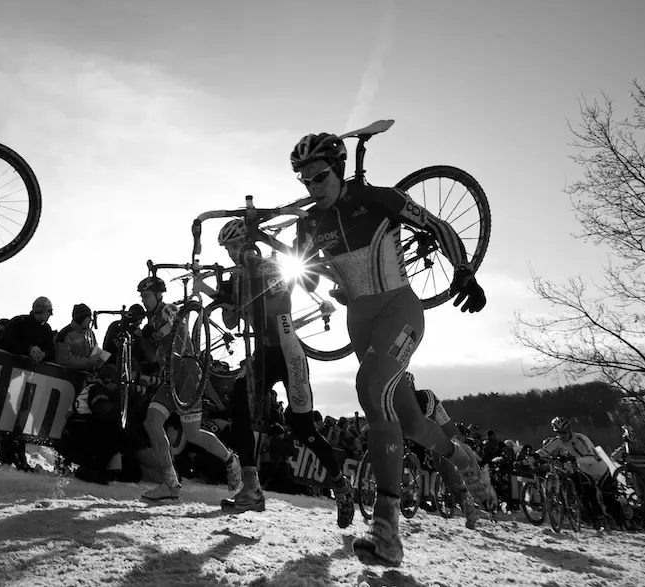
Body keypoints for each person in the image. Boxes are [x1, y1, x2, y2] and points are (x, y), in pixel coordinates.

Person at [289, 132, 491, 567]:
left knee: (370, 385)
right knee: (413, 423)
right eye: (305, 181)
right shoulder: (308, 223)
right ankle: (464, 457)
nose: (314, 187)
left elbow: (439, 226)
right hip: (360, 324)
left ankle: (386, 531)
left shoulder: (378, 198)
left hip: (400, 311)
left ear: (339, 169)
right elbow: (302, 275)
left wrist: (464, 271)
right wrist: (309, 272)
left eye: (320, 176)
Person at [214, 218, 356, 526]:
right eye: (227, 249)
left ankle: (341, 486)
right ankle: (251, 489)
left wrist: (252, 282)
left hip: (289, 350)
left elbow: (280, 303)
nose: (231, 254)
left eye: (235, 246)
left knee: (302, 427)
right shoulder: (237, 276)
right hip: (263, 351)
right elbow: (230, 321)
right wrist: (224, 297)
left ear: (249, 244)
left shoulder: (269, 267)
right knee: (238, 404)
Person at [136, 275, 243, 501]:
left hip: (186, 372)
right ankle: (170, 483)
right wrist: (144, 339)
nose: (144, 301)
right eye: (142, 297)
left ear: (158, 295)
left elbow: (181, 333)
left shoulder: (168, 310)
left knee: (193, 434)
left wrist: (157, 334)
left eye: (147, 296)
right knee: (152, 421)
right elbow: (156, 355)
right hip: (171, 376)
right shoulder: (153, 318)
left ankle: (231, 460)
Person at [403, 372, 481, 528]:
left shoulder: (425, 395)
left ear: (411, 386)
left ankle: (467, 500)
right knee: (441, 467)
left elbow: (429, 419)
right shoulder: (400, 403)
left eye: (405, 389)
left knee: (444, 464)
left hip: (445, 430)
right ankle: (464, 500)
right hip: (424, 432)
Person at [536, 416, 621, 528]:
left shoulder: (581, 439)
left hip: (600, 470)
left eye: (564, 432)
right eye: (559, 433)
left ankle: (621, 523)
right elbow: (544, 451)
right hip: (584, 472)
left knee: (608, 499)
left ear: (570, 430)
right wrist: (533, 455)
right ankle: (595, 521)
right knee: (586, 496)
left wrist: (574, 460)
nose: (562, 435)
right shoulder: (557, 441)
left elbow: (593, 459)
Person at [0, 296, 55, 362]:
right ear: (41, 310)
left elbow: (51, 351)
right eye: (49, 311)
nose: (51, 314)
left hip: (31, 369)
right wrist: (28, 349)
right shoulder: (18, 323)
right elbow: (6, 342)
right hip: (11, 365)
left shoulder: (47, 329)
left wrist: (43, 354)